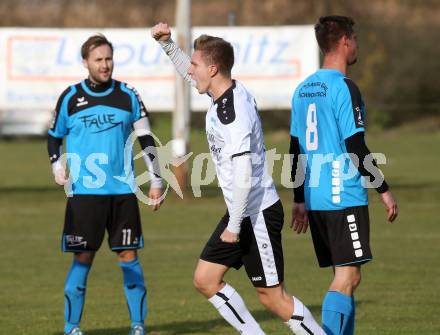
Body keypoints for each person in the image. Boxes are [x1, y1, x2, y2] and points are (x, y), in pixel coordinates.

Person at [151, 23, 325, 335]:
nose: (190, 71)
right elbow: (192, 76)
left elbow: (244, 173)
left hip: (255, 214)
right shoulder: (225, 93)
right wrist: (167, 45)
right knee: (205, 279)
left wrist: (234, 226)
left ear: (213, 68)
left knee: (273, 298)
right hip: (239, 212)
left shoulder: (233, 114)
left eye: (195, 64)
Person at [47, 34, 163, 335]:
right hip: (85, 195)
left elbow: (146, 138)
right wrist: (57, 165)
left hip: (123, 193)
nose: (105, 64)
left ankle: (138, 326)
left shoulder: (128, 95)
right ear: (85, 62)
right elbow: (54, 135)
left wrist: (155, 178)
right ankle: (72, 328)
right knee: (83, 257)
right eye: (98, 59)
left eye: (109, 58)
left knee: (129, 257)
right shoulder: (70, 97)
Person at [290, 16, 398, 335]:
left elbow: (294, 148)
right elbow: (355, 146)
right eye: (356, 39)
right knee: (345, 279)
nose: (357, 45)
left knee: (350, 276)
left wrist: (298, 199)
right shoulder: (344, 87)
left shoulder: (302, 88)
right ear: (345, 41)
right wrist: (384, 189)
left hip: (315, 197)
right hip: (343, 196)